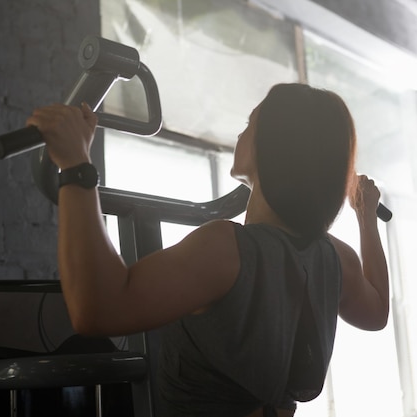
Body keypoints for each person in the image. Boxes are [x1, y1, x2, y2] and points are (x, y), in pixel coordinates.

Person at [27, 83, 389, 417]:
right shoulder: (336, 259)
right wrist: (366, 218)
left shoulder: (225, 248)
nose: (241, 133)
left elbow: (97, 309)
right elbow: (377, 313)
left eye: (251, 124)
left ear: (271, 147)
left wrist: (76, 165)